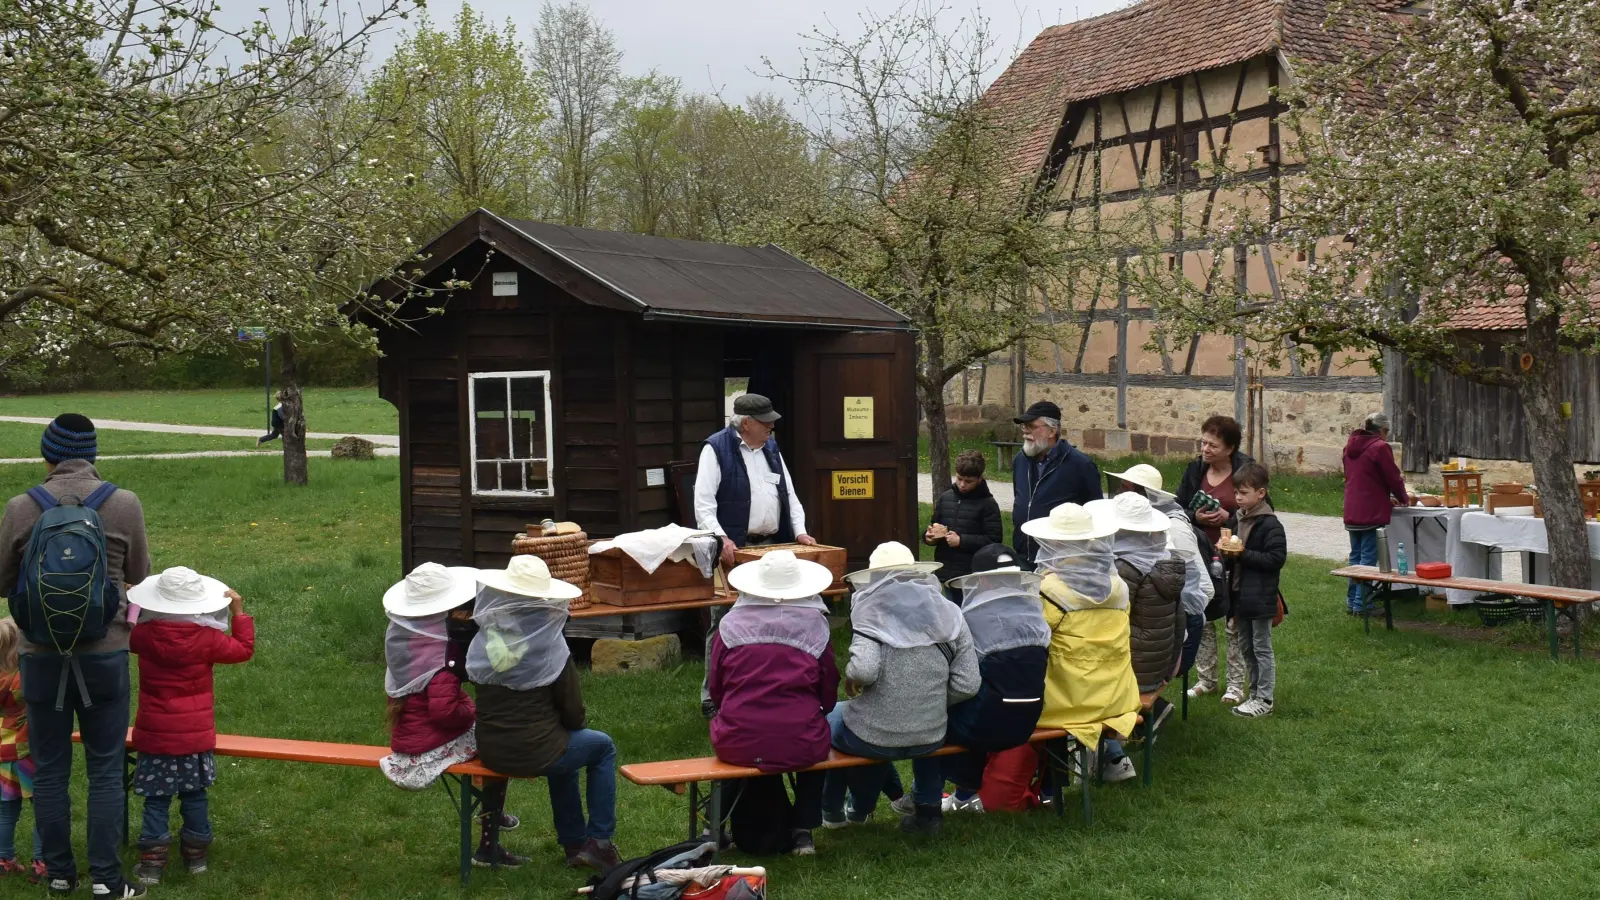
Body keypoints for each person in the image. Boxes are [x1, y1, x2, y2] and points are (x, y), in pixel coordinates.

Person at [0, 414, 151, 898]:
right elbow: (139, 573)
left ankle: (60, 874)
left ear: (47, 455)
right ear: (92, 455)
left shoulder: (21, 507)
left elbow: (2, 581)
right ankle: (107, 879)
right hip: (105, 655)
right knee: (105, 769)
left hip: (39, 656)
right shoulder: (124, 503)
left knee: (50, 769)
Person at [469, 556, 622, 871]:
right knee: (601, 747)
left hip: (491, 748)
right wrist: (568, 728)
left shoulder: (485, 640)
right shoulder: (549, 646)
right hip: (537, 750)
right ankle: (600, 842)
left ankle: (575, 844)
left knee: (566, 754)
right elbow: (573, 713)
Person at [821, 543, 978, 836]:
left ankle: (834, 810)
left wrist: (853, 678)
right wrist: (927, 701)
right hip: (932, 733)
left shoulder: (871, 613)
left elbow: (864, 670)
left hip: (873, 735)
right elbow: (968, 683)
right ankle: (928, 813)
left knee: (831, 718)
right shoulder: (950, 614)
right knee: (911, 737)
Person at [379, 563, 522, 867]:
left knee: (488, 741)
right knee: (497, 745)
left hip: (407, 738)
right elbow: (444, 712)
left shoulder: (407, 641)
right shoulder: (440, 657)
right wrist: (470, 709)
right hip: (428, 749)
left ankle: (493, 816)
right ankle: (489, 838)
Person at [126, 567, 255, 885]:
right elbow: (243, 650)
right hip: (194, 739)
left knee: (156, 798)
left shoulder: (142, 636)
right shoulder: (208, 639)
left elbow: (123, 629)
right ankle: (196, 858)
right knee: (194, 796)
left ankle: (152, 865)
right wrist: (239, 614)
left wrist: (131, 602)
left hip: (155, 736)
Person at [708, 551, 840, 856]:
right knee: (816, 748)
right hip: (801, 740)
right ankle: (803, 830)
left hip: (736, 739)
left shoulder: (729, 626)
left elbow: (716, 687)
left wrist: (734, 712)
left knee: (732, 755)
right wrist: (815, 712)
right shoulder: (816, 626)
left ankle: (712, 829)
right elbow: (828, 685)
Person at [694, 393, 816, 717]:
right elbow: (703, 504)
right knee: (724, 621)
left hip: (772, 546)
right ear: (746, 423)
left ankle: (766, 688)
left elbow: (789, 494)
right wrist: (721, 538)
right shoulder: (715, 449)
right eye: (766, 423)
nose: (771, 428)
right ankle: (711, 696)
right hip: (734, 550)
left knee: (774, 617)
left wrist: (800, 531)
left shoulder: (771, 449)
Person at [1024, 503, 1141, 784]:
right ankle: (1106, 760)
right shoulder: (1118, 585)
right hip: (1118, 696)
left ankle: (1049, 784)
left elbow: (1031, 641)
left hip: (1068, 702)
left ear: (1051, 542)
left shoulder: (1048, 590)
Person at [939, 544, 1049, 813]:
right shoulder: (1035, 616)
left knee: (943, 715)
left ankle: (951, 796)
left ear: (982, 580)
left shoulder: (969, 620)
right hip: (1029, 721)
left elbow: (962, 683)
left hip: (981, 726)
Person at [1107, 464, 1214, 681]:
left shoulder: (1174, 528)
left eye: (1125, 488)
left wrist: (1170, 616)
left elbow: (1203, 588)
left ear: (1144, 495)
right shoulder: (1134, 528)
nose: (1118, 492)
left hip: (1170, 627)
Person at [1175, 415, 1251, 705]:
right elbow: (1178, 507)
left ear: (1229, 448)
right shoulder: (1195, 469)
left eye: (1213, 445)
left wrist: (1228, 518)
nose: (1205, 449)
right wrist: (1195, 516)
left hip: (1235, 557)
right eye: (1203, 442)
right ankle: (1206, 680)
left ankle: (1235, 686)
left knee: (1234, 621)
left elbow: (1261, 510)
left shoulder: (1246, 470)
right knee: (1202, 616)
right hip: (1200, 554)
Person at [1010, 401, 1103, 569]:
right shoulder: (1020, 460)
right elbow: (1020, 498)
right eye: (1024, 426)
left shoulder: (1080, 465)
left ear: (1052, 431)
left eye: (1032, 426)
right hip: (1024, 554)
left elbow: (1095, 512)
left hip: (1061, 560)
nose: (1026, 432)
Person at [1227, 463, 1287, 718]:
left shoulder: (1270, 525)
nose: (1238, 497)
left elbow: (1276, 559)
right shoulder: (1238, 519)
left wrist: (1243, 553)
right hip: (1240, 594)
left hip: (1261, 594)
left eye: (1244, 492)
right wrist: (1226, 554)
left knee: (1261, 646)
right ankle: (1253, 694)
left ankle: (1265, 699)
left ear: (1261, 493)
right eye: (1236, 492)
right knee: (1246, 646)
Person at [1343, 412, 1410, 615]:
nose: (1386, 435)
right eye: (1386, 431)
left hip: (1352, 507)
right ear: (1382, 430)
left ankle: (1352, 601)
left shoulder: (1349, 447)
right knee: (1368, 559)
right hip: (1370, 511)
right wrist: (1403, 497)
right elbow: (1392, 477)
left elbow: (1361, 478)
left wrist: (1383, 497)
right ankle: (1362, 605)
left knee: (1355, 558)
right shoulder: (1380, 447)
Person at [924, 450, 1005, 595]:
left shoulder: (988, 504)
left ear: (979, 479)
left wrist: (961, 541)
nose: (962, 484)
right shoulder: (945, 498)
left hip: (973, 575)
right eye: (959, 479)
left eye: (968, 481)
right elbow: (935, 524)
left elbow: (994, 540)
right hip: (947, 572)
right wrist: (930, 537)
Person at [0, 618, 44, 882]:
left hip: (2, 752)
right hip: (27, 750)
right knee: (42, 806)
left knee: (6, 810)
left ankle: (3, 859)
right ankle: (42, 862)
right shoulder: (21, 677)